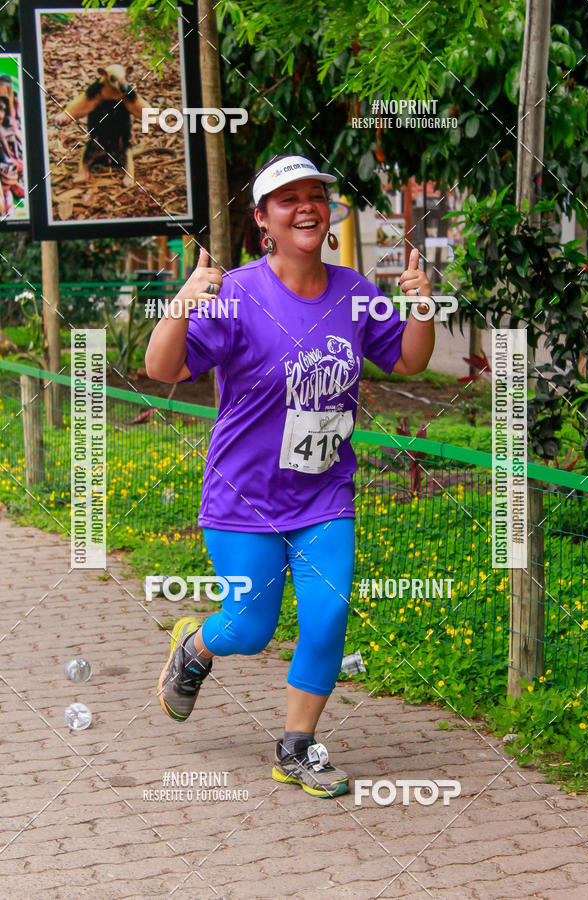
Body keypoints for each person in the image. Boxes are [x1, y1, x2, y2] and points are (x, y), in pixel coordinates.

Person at [146, 153, 434, 798]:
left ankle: (298, 748)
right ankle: (196, 645)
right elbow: (163, 369)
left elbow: (410, 362)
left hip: (324, 494)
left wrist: (421, 308)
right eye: (287, 199)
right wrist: (181, 307)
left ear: (329, 213)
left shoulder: (357, 292)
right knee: (248, 630)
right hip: (243, 497)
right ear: (262, 220)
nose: (306, 206)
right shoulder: (239, 294)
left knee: (328, 617)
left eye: (316, 196)